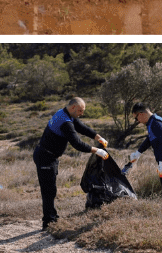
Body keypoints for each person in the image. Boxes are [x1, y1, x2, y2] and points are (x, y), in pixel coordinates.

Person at [33, 98, 108, 230]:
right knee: (48, 191)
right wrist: (97, 151)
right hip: (45, 157)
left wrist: (98, 137)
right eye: (80, 110)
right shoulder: (65, 121)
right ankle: (48, 222)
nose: (81, 114)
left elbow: (81, 127)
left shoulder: (65, 113)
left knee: (51, 189)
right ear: (73, 107)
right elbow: (77, 144)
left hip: (50, 156)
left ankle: (52, 217)